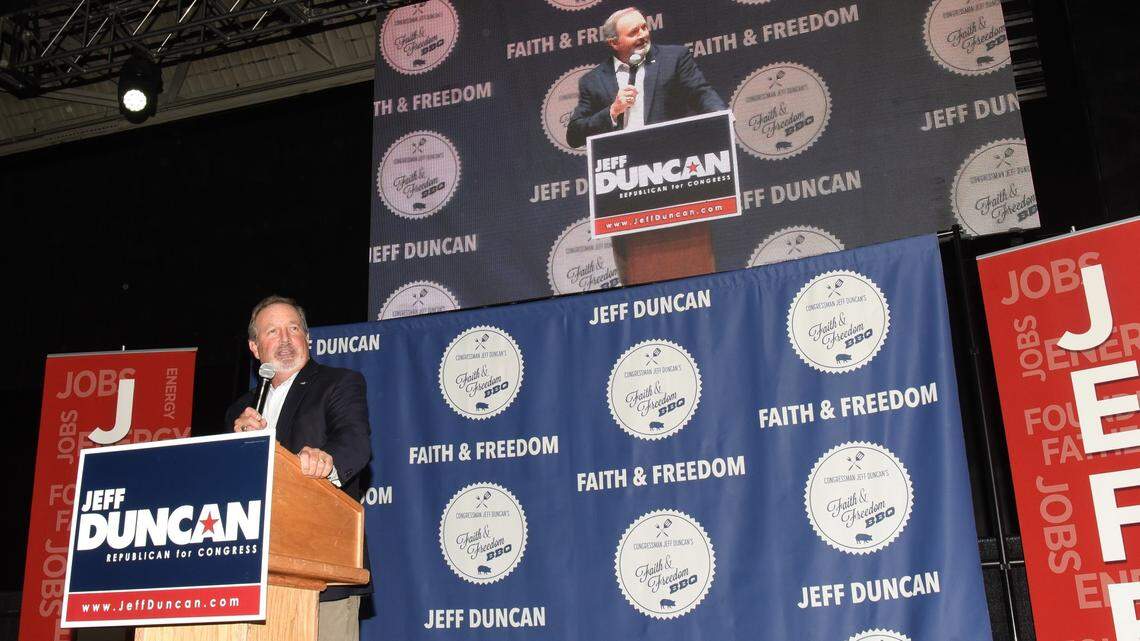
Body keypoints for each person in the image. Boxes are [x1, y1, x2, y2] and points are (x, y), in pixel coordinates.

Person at [225, 295, 371, 641]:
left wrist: (327, 460)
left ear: (308, 338)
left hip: (321, 569)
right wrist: (234, 447)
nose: (286, 339)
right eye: (272, 332)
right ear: (255, 348)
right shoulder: (239, 412)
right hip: (252, 574)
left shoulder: (338, 383)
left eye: (294, 328)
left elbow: (354, 440)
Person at [566, 6, 726, 148]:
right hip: (622, 166)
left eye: (644, 27)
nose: (642, 35)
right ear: (614, 43)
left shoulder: (674, 59)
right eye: (633, 32)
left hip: (672, 154)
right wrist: (613, 111)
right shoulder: (593, 81)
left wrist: (721, 116)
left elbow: (701, 93)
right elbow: (574, 136)